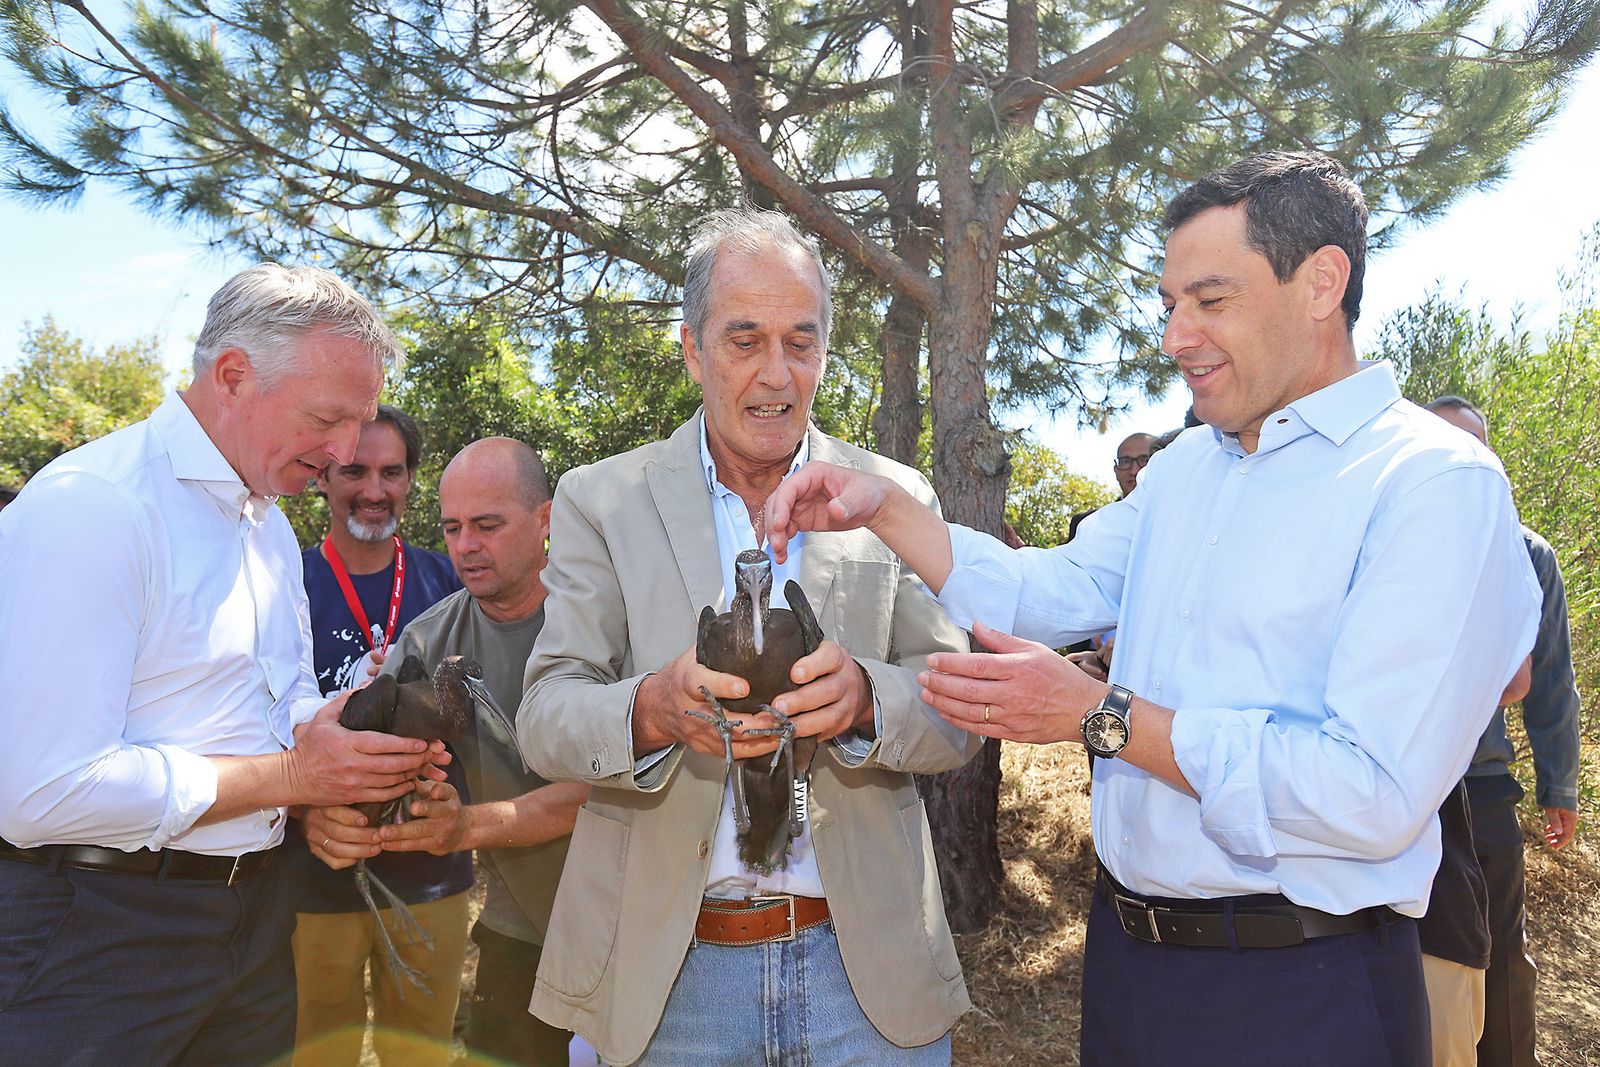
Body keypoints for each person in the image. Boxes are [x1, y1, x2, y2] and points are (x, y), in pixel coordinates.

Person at [765, 152, 1542, 1065]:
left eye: (1210, 301)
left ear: (1322, 282)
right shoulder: (1185, 468)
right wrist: (883, 506)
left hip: (1307, 992)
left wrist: (1102, 718)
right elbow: (1043, 591)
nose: (1176, 336)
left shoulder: (1431, 484)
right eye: (1170, 304)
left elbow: (1370, 793)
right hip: (1133, 970)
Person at [517, 208, 981, 1066]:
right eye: (744, 340)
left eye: (801, 343)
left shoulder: (891, 493)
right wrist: (653, 710)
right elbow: (544, 715)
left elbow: (954, 712)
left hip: (866, 978)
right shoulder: (601, 498)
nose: (777, 373)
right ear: (691, 349)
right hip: (665, 987)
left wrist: (867, 700)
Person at [0, 263, 448, 1063]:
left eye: (364, 422)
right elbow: (41, 790)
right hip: (96, 936)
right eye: (328, 417)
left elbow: (280, 709)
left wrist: (358, 749)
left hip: (255, 923)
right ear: (234, 375)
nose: (346, 451)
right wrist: (294, 781)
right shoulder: (93, 506)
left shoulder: (268, 526)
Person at [309, 437, 589, 1066]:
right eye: (453, 527)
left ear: (545, 521)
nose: (465, 546)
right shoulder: (429, 639)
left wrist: (466, 825)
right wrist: (336, 811)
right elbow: (363, 766)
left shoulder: (605, 616)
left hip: (644, 922)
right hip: (521, 933)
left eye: (487, 525)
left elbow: (622, 785)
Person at [289, 405, 471, 1067]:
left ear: (410, 480)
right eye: (355, 470)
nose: (374, 487)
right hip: (313, 876)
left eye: (391, 471)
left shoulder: (448, 580)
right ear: (323, 478)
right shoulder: (286, 582)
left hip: (430, 874)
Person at [1427, 394, 1582, 1067]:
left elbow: (1547, 680)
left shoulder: (1528, 553)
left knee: (1498, 955)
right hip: (1390, 784)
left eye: (1474, 447)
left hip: (1482, 787)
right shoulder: (1386, 540)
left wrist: (1561, 784)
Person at [1111, 431, 1159, 498]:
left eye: (1145, 461)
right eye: (1126, 462)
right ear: (1116, 471)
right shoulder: (1107, 509)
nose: (1134, 471)